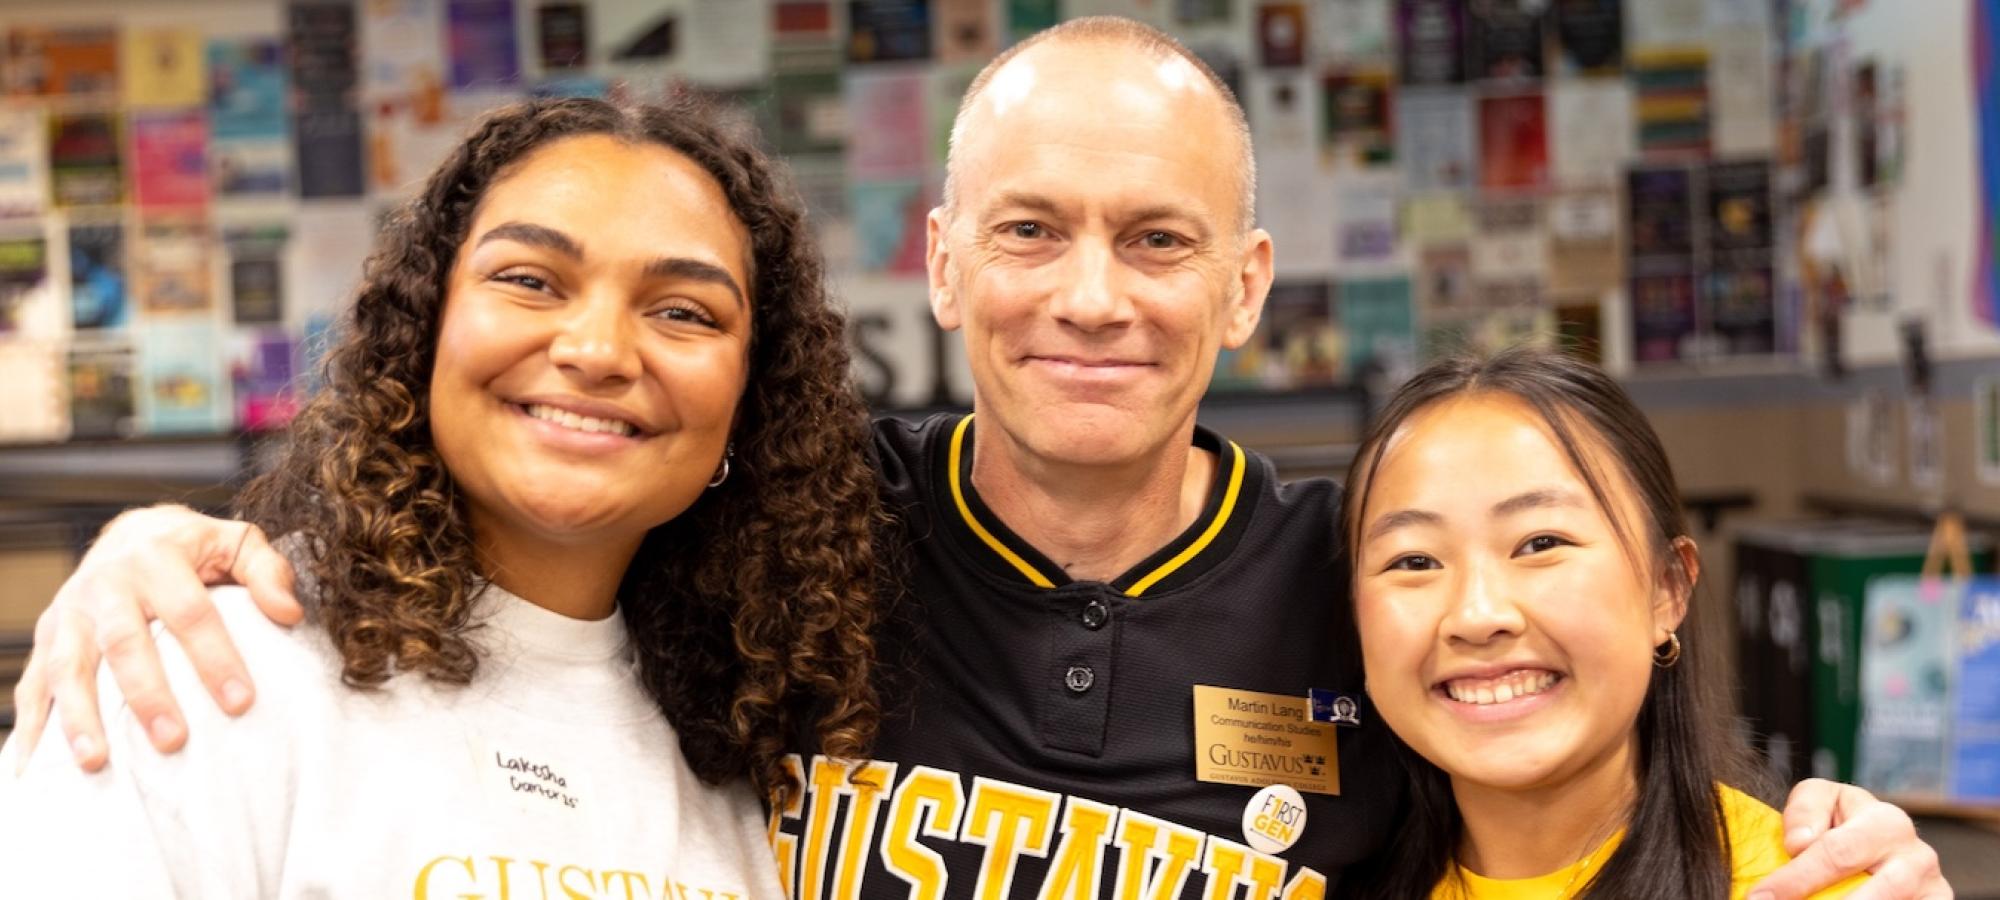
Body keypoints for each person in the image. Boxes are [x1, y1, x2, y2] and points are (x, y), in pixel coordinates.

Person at [10, 17, 1949, 899]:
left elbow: (1560, 763)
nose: (1088, 297)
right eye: (1027, 232)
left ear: (1248, 286)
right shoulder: (779, 531)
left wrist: (1834, 843)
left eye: (1158, 240)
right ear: (941, 265)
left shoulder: (1357, 583)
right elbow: (538, 487)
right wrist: (158, 543)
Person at [0, 95, 887, 897]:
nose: (597, 350)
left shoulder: (760, 750)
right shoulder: (202, 674)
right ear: (425, 330)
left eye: (685, 311)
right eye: (530, 281)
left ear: (748, 402)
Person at [1339, 348, 1867, 899]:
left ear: (1666, 589)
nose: (1477, 615)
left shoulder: (1803, 887)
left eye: (1541, 543)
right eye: (1414, 561)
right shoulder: (1315, 880)